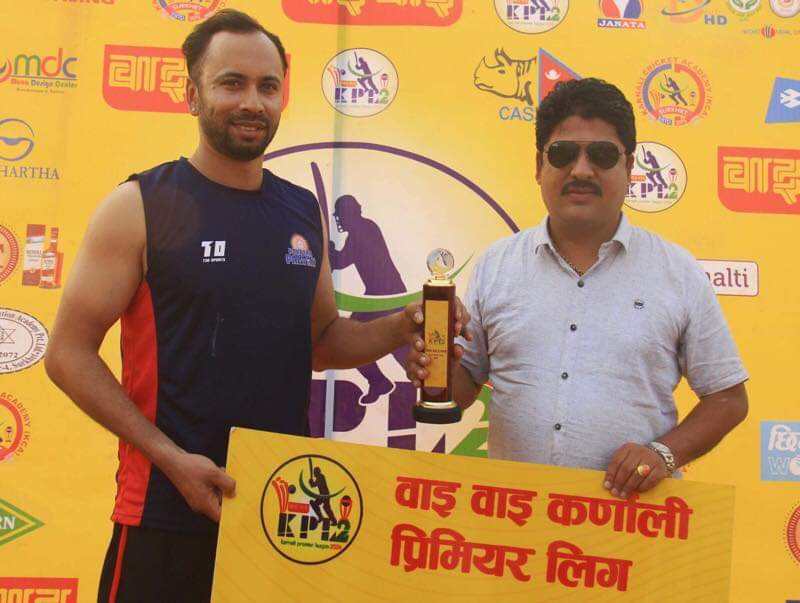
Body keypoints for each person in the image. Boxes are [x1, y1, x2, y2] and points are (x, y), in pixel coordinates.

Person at [44, 10, 467, 602]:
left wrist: (402, 325)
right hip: (163, 511)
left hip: (279, 511)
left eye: (268, 86)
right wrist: (171, 459)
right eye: (231, 83)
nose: (252, 102)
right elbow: (66, 354)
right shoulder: (140, 204)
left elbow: (321, 342)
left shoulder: (300, 211)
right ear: (192, 94)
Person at [407, 77, 748, 501]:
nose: (581, 170)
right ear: (539, 166)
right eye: (563, 153)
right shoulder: (498, 265)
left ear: (629, 167)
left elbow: (728, 400)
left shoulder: (677, 272)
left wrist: (663, 454)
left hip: (633, 520)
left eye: (601, 155)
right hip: (513, 517)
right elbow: (461, 388)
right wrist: (432, 367)